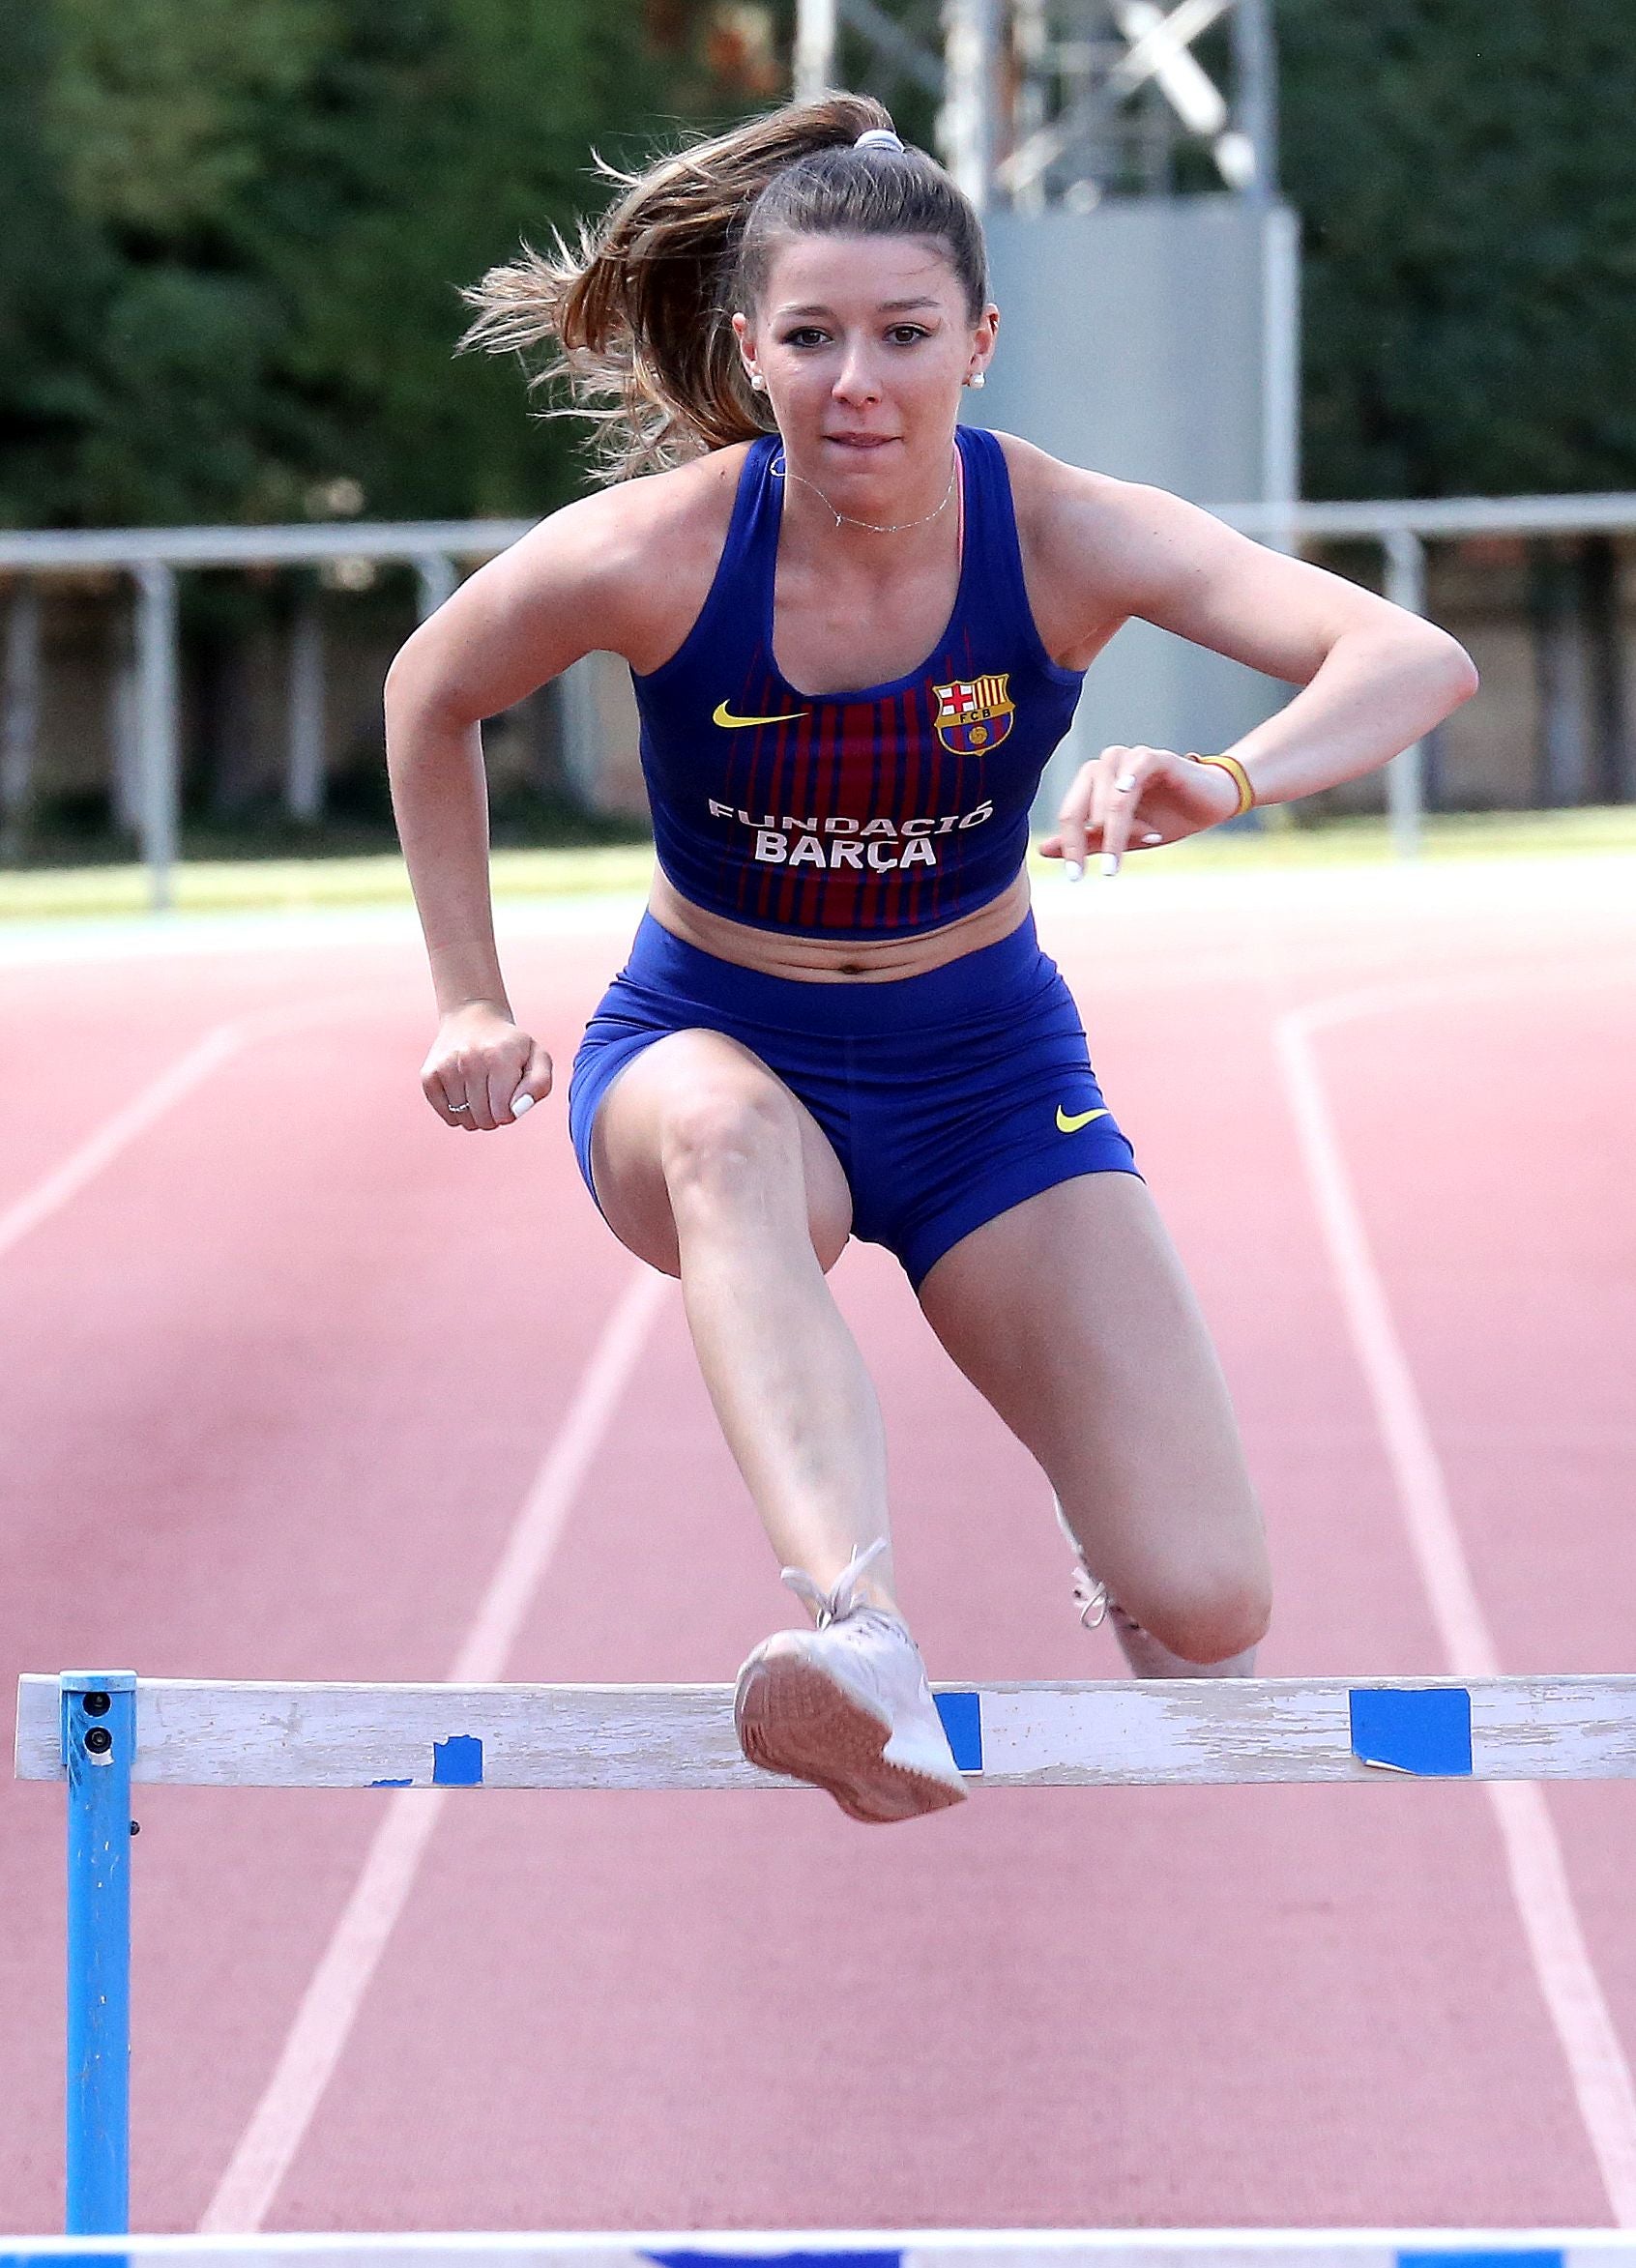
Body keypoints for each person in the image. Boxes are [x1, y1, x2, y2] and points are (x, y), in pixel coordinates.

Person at [384, 94, 1476, 1828]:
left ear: (980, 337)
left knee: (1211, 1609)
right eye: (810, 338)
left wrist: (1228, 775)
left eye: (904, 334)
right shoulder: (664, 552)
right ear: (749, 347)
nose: (857, 384)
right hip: (709, 1042)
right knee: (737, 1150)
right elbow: (430, 689)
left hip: (985, 1070)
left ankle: (1086, 1496)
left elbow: (1409, 657)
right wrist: (466, 990)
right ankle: (856, 1633)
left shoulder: (1056, 530)